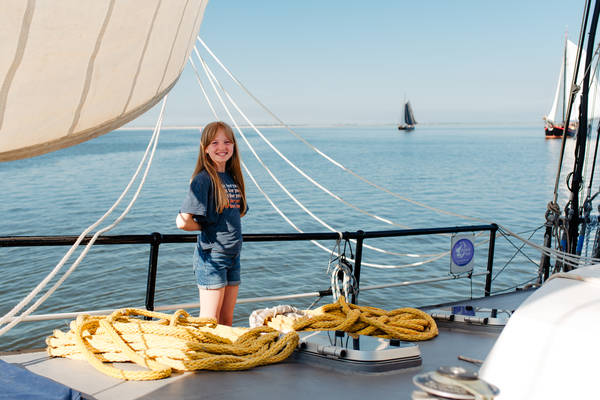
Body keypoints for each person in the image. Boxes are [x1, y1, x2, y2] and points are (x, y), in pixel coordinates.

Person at [176, 121, 248, 326]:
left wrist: (218, 222)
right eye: (214, 142)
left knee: (226, 321)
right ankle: (203, 357)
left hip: (233, 255)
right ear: (205, 148)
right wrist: (208, 226)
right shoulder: (203, 179)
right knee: (210, 322)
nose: (222, 147)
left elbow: (237, 212)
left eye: (227, 142)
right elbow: (182, 222)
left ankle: (225, 357)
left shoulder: (232, 178)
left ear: (234, 146)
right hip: (212, 258)